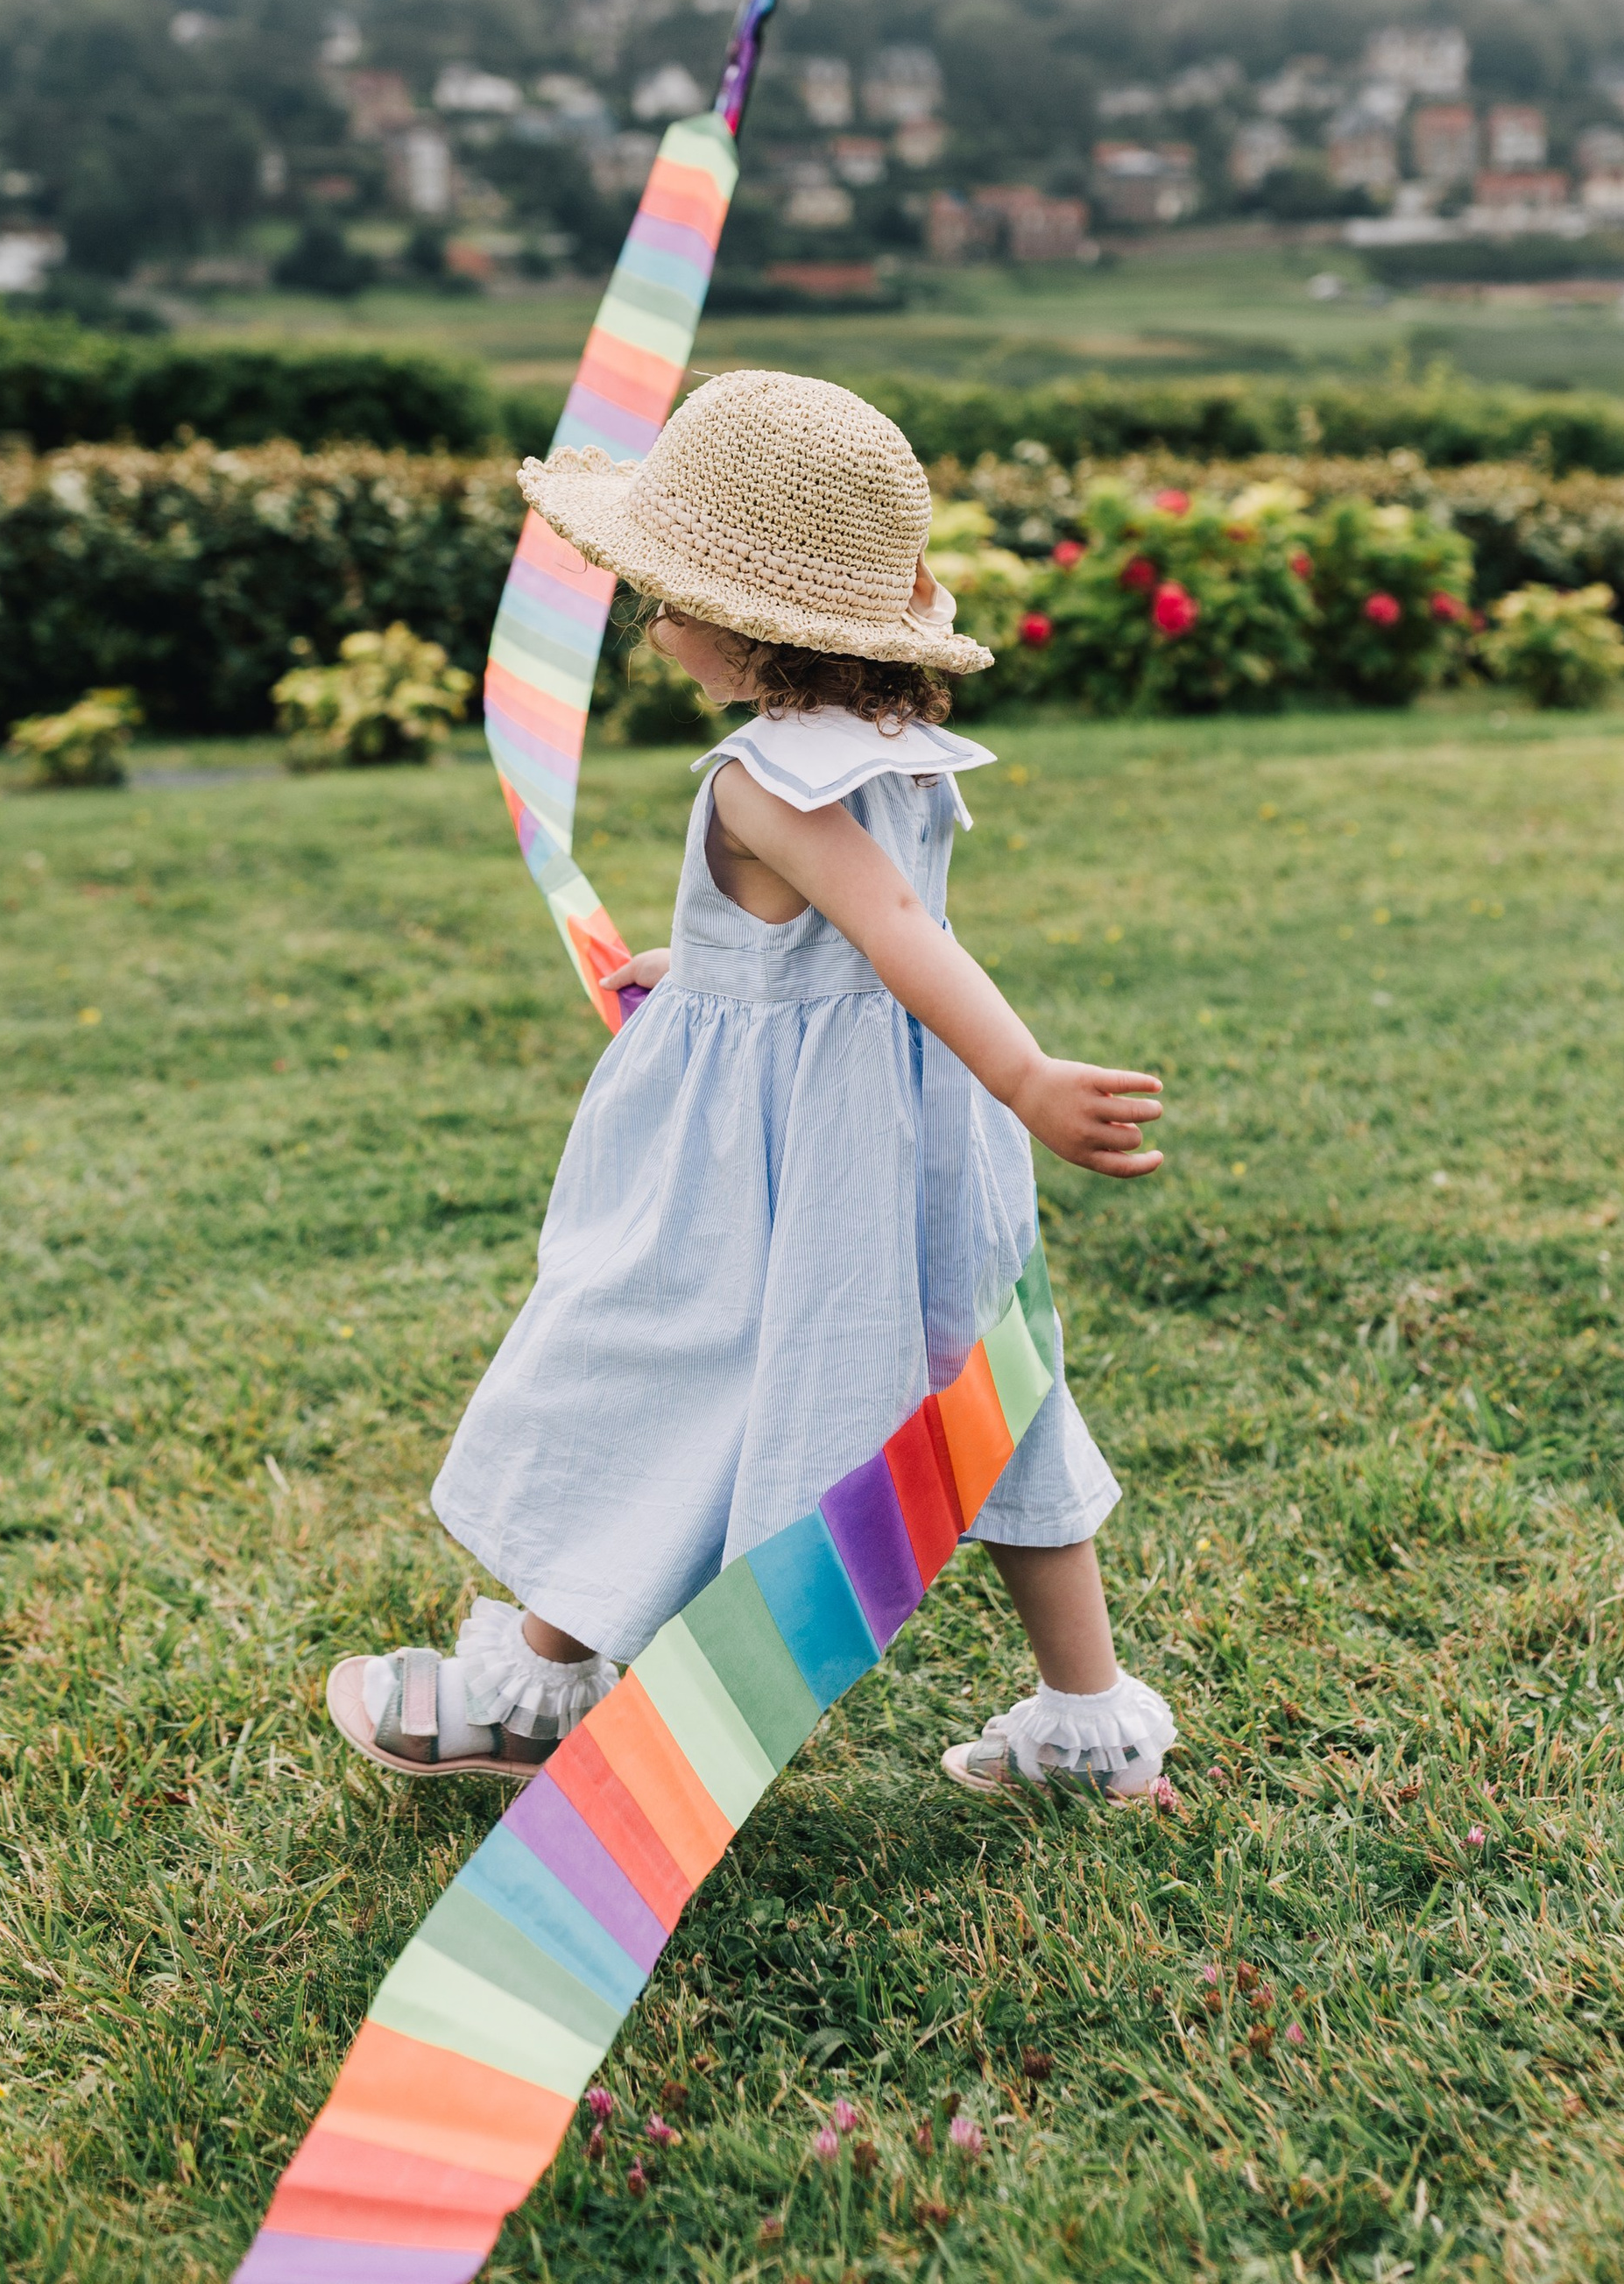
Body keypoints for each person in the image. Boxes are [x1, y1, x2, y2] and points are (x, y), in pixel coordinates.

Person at [326, 370, 1176, 1802]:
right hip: (915, 1142)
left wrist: (1029, 1073)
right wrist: (711, 959)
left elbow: (895, 932)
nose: (648, 618)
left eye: (660, 591)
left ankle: (525, 1691)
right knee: (993, 1403)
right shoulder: (897, 753)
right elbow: (848, 931)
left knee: (666, 1376)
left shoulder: (760, 782)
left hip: (776, 1166)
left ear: (740, 622)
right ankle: (1086, 1719)